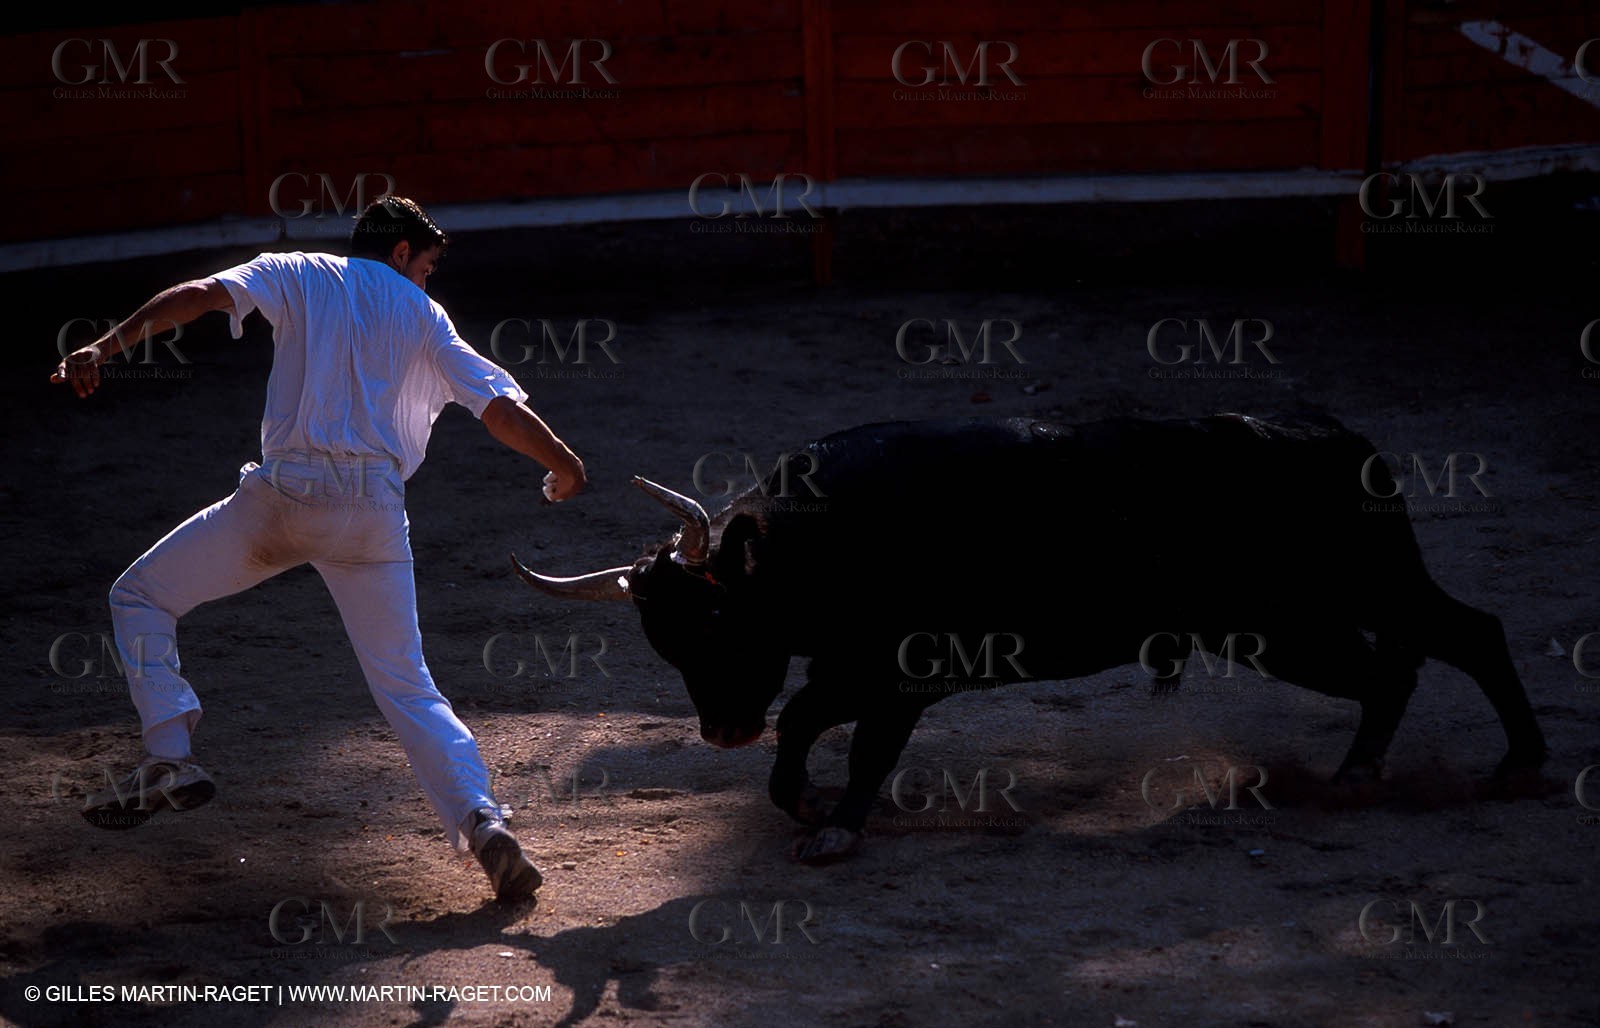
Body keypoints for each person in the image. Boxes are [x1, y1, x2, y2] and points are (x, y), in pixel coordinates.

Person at [50, 196, 584, 902]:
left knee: (140, 595)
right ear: (400, 254)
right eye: (425, 266)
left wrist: (104, 345)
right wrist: (565, 463)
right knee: (407, 684)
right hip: (372, 513)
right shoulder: (423, 314)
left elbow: (200, 296)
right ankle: (482, 820)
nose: (426, 280)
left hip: (283, 498)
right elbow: (496, 407)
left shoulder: (299, 270)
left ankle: (170, 757)